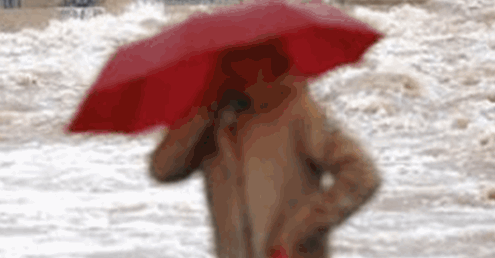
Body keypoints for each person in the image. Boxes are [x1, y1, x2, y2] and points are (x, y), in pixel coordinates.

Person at [149, 44, 380, 258]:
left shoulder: (295, 108)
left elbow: (362, 174)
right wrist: (201, 112)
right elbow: (163, 169)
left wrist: (303, 228)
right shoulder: (211, 118)